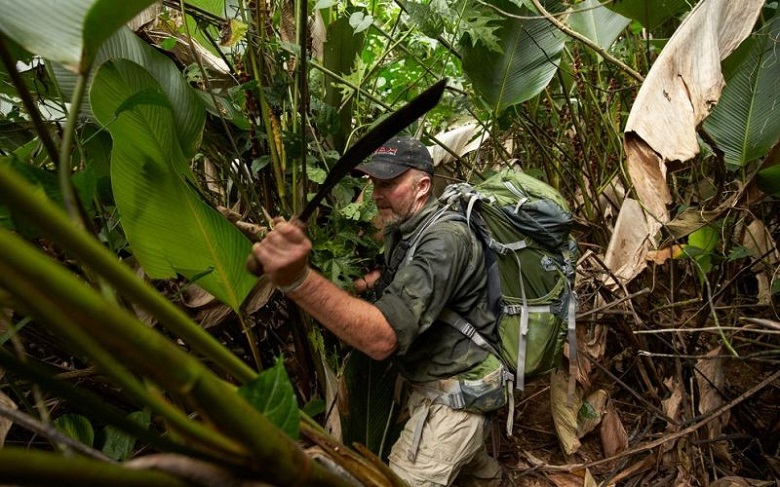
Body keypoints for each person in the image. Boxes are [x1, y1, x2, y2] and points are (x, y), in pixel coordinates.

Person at [249, 136, 507, 486]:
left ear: (423, 186)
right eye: (373, 183)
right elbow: (388, 278)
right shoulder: (407, 227)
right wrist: (341, 282)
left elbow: (382, 338)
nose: (376, 194)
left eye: (388, 184)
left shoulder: (444, 240)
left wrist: (298, 280)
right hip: (431, 378)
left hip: (458, 393)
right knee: (474, 467)